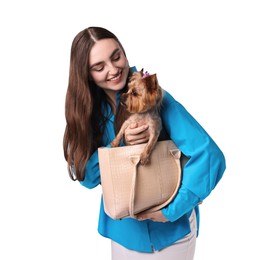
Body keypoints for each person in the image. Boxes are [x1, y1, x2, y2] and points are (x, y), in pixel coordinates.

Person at [63, 26, 226, 260]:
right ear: (86, 74)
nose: (113, 70)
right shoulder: (87, 113)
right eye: (99, 67)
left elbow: (209, 155)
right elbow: (88, 179)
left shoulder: (154, 97)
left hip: (170, 235)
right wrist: (118, 146)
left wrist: (172, 210)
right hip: (124, 232)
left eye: (116, 56)